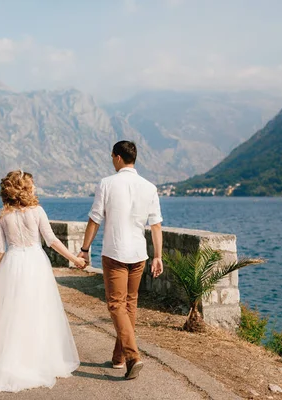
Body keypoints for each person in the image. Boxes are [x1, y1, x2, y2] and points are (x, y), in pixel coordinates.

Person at [0, 170, 85, 392]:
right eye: (33, 184)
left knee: (12, 313)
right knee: (38, 310)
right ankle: (37, 359)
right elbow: (51, 241)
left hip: (12, 263)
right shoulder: (37, 211)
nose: (35, 188)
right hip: (35, 263)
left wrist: (3, 275)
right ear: (26, 188)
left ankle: (10, 360)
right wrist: (75, 259)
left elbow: (0, 251)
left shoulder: (1, 216)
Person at [78, 140, 163, 380]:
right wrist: (158, 256)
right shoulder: (149, 187)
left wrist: (85, 249)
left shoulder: (106, 184)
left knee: (116, 305)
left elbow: (95, 220)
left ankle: (133, 356)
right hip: (139, 254)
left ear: (117, 157)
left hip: (115, 253)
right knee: (130, 304)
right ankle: (119, 358)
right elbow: (156, 225)